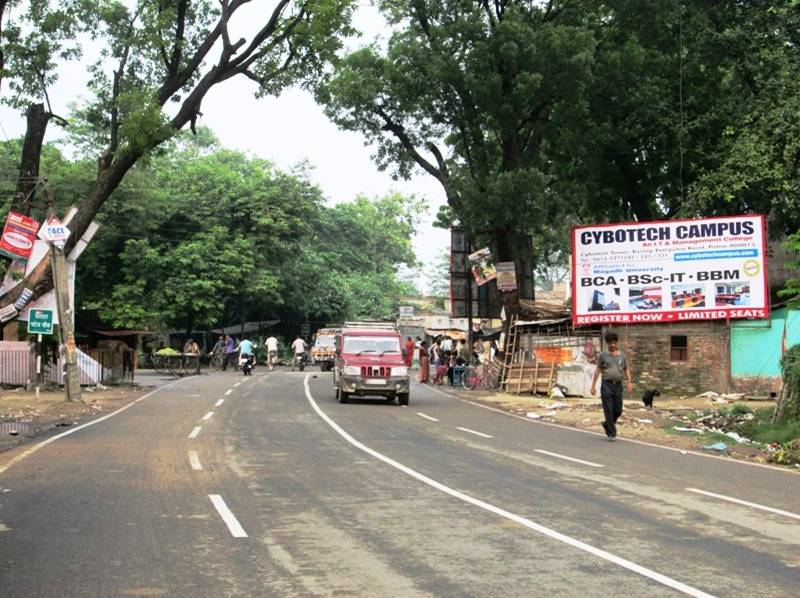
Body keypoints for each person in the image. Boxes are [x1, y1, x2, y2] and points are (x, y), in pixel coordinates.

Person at [590, 331, 633, 440]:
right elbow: (597, 370)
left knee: (618, 410)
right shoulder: (603, 356)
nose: (612, 345)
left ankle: (607, 424)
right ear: (607, 344)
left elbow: (626, 369)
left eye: (614, 343)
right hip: (607, 385)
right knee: (608, 408)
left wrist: (629, 382)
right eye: (610, 343)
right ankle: (612, 432)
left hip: (618, 386)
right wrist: (593, 386)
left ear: (616, 343)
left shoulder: (622, 355)